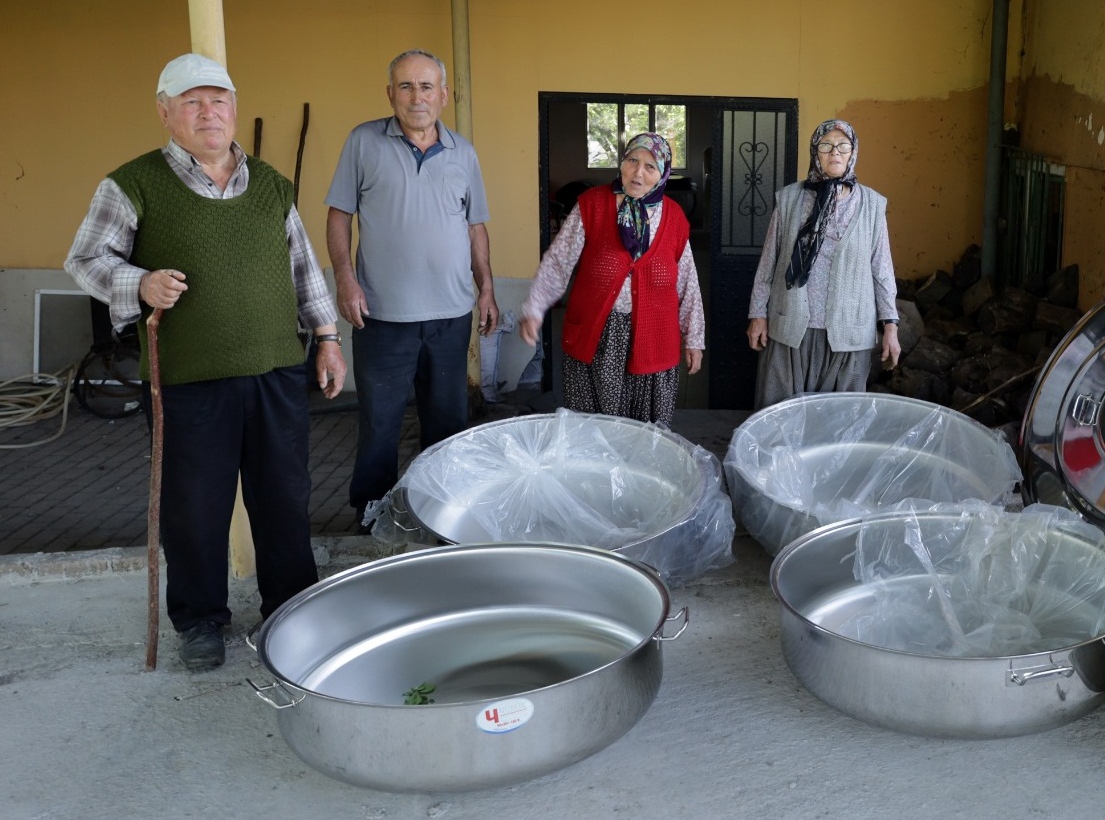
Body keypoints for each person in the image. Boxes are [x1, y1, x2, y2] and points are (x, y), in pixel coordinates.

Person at [64, 53, 346, 672]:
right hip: (187, 380)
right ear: (165, 112)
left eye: (218, 100)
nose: (208, 112)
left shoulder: (271, 184)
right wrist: (138, 283)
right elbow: (85, 259)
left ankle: (292, 610)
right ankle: (199, 620)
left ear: (235, 109)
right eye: (191, 102)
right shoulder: (132, 183)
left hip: (275, 369)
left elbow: (303, 268)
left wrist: (327, 336)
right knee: (194, 504)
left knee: (283, 496)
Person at [325, 49, 499, 522]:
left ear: (443, 95)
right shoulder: (363, 141)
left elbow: (475, 227)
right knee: (379, 422)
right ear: (390, 94)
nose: (416, 96)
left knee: (447, 423)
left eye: (426, 87)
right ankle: (372, 514)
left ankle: (441, 513)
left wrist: (486, 288)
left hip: (450, 315)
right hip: (382, 315)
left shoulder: (463, 151)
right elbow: (340, 215)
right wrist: (345, 279)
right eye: (406, 86)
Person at [518, 133, 703, 427]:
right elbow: (559, 261)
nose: (638, 172)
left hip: (654, 342)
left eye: (650, 166)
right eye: (632, 161)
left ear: (663, 174)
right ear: (622, 162)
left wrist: (694, 337)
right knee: (594, 435)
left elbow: (687, 282)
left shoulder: (675, 217)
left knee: (646, 441)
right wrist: (534, 308)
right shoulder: (592, 205)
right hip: (597, 342)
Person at [746, 119, 900, 408]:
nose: (835, 153)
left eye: (843, 145)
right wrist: (757, 314)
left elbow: (882, 270)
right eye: (826, 146)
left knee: (838, 424)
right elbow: (769, 263)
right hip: (792, 328)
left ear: (853, 151)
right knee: (782, 417)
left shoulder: (872, 205)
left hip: (848, 333)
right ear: (815, 152)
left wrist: (890, 325)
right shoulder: (790, 199)